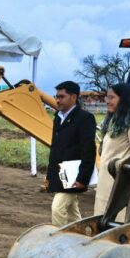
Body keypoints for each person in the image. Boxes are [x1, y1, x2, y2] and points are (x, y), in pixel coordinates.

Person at [93, 83, 130, 218]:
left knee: (117, 224)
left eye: (111, 97)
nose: (107, 101)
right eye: (107, 97)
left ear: (124, 99)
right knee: (103, 221)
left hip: (120, 188)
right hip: (108, 183)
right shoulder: (117, 120)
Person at [46, 80, 96, 227]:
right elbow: (55, 148)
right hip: (61, 174)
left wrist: (83, 178)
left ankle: (59, 238)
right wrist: (50, 175)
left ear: (73, 97)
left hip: (73, 175)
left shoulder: (85, 118)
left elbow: (88, 150)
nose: (57, 100)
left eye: (61, 97)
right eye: (57, 96)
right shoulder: (58, 118)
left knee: (58, 209)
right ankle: (81, 236)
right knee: (72, 212)